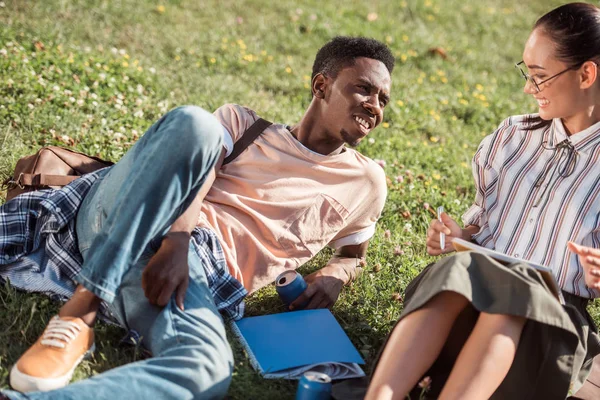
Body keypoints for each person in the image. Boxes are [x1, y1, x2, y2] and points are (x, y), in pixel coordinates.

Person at [0, 36, 394, 399]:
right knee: (196, 123)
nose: (374, 106)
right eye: (364, 89)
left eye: (383, 100)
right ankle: (80, 312)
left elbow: (353, 253)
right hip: (134, 217)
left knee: (207, 369)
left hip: (191, 279)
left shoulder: (367, 182)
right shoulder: (244, 124)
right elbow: (185, 158)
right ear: (321, 86)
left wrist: (338, 274)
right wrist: (178, 238)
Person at [361, 3, 600, 400]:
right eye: (527, 73)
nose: (528, 88)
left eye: (539, 77)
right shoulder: (512, 138)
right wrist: (459, 234)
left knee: (514, 295)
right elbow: (482, 223)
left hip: (548, 323)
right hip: (469, 298)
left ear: (587, 74)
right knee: (461, 268)